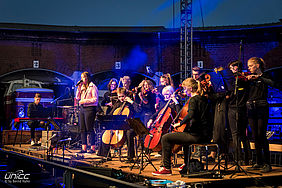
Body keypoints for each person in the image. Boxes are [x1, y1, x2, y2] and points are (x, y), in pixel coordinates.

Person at [152, 78, 212, 175]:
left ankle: (166, 168)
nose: (184, 91)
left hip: (196, 136)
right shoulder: (203, 99)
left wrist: (179, 123)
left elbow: (191, 114)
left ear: (191, 89)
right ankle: (186, 163)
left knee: (165, 138)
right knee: (184, 139)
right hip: (206, 135)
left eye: (185, 89)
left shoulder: (193, 100)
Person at [246, 57, 275, 173]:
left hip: (261, 107)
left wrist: (259, 78)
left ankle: (267, 163)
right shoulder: (250, 79)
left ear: (257, 65)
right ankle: (258, 161)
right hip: (251, 108)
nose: (249, 68)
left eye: (250, 66)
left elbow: (273, 83)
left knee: (261, 134)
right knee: (255, 136)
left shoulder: (265, 76)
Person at [227, 60, 251, 166]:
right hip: (239, 108)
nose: (231, 70)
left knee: (237, 135)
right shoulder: (238, 80)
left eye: (233, 68)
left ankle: (241, 159)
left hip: (237, 108)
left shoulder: (238, 80)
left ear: (237, 67)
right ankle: (245, 159)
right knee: (241, 135)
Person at [109, 87, 141, 162]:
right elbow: (111, 114)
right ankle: (105, 155)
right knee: (107, 131)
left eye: (122, 96)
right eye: (119, 96)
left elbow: (139, 110)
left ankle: (130, 157)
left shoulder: (130, 103)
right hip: (120, 125)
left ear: (126, 95)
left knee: (129, 133)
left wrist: (131, 102)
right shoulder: (118, 103)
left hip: (131, 125)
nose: (121, 98)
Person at [75, 71, 99, 153]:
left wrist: (84, 101)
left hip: (90, 109)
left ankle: (93, 147)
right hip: (82, 109)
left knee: (89, 128)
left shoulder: (93, 87)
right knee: (82, 129)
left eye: (84, 77)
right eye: (81, 77)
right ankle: (84, 148)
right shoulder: (82, 87)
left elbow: (95, 99)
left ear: (87, 78)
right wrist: (78, 89)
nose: (82, 79)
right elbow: (77, 97)